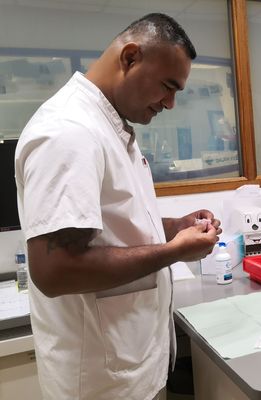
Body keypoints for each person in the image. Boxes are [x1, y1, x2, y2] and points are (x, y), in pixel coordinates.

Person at [15, 13, 221, 400]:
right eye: (167, 86)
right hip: (101, 383)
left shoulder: (112, 126)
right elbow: (55, 270)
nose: (172, 103)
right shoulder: (70, 133)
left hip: (132, 368)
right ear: (129, 58)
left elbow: (114, 225)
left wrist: (174, 227)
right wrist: (173, 252)